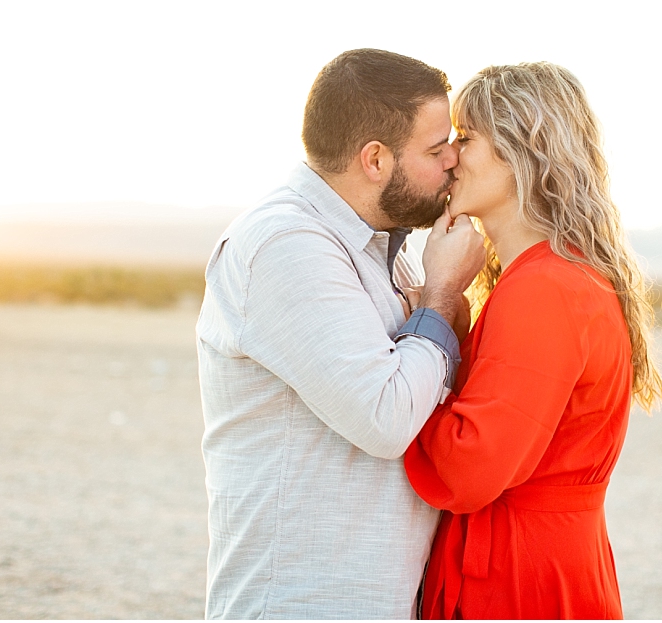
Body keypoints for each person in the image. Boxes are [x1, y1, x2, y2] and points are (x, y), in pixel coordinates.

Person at [196, 49, 485, 619]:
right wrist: (443, 293)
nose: (454, 159)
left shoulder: (380, 249)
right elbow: (385, 416)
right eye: (435, 148)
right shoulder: (285, 245)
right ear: (374, 159)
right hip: (303, 603)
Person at [404, 62, 662, 620]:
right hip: (547, 562)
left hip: (519, 582)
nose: (448, 156)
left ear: (525, 150)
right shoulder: (551, 277)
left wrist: (400, 371)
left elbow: (470, 467)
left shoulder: (546, 288)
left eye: (466, 137)